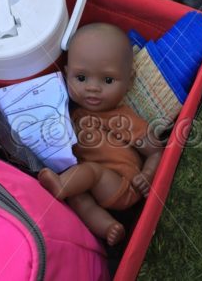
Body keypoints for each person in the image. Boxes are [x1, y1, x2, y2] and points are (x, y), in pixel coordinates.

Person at [38, 23, 163, 246]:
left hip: (122, 184)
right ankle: (108, 227)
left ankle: (60, 185)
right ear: (66, 74)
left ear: (129, 81)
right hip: (84, 183)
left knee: (90, 173)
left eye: (107, 80)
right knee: (77, 197)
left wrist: (148, 174)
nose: (92, 88)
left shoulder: (122, 118)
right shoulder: (69, 112)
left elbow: (155, 150)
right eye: (81, 78)